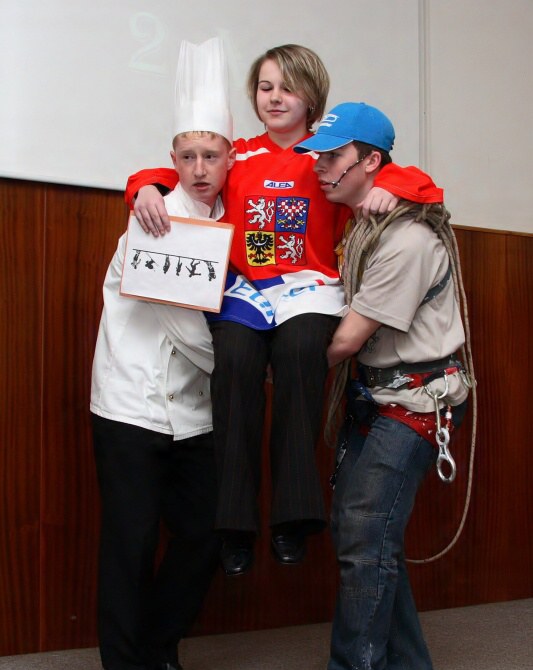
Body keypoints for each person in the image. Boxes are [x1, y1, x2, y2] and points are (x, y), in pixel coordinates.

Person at [126, 45, 443, 578]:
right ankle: (233, 524)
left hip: (310, 288)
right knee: (233, 362)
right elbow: (173, 167)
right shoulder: (238, 154)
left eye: (288, 87)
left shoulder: (327, 157)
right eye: (265, 87)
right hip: (247, 290)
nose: (274, 98)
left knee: (301, 353)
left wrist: (390, 186)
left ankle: (293, 517)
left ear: (312, 96)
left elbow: (418, 183)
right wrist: (144, 188)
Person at [292, 102, 470, 670]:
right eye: (317, 156)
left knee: (365, 530)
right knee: (362, 533)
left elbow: (346, 339)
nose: (320, 168)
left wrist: (278, 367)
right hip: (376, 395)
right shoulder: (364, 223)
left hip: (416, 399)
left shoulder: (407, 238)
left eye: (333, 157)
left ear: (371, 162)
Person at [91, 38, 236, 670]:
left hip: (195, 412)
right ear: (172, 159)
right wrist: (248, 368)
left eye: (212, 155)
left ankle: (160, 647)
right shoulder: (148, 215)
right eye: (187, 156)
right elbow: (184, 325)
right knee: (131, 541)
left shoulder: (235, 224)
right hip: (130, 403)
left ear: (230, 158)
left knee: (203, 533)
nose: (199, 169)